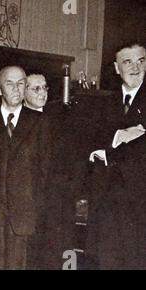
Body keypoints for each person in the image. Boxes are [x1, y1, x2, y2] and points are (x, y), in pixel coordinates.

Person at [0, 66, 50, 269]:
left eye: (21, 83)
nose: (16, 89)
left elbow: (46, 173)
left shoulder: (42, 123)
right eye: (9, 83)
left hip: (23, 219)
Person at [87, 42, 146, 269]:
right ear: (116, 68)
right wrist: (123, 135)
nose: (135, 67)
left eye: (141, 61)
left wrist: (109, 152)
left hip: (140, 204)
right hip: (106, 204)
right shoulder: (102, 104)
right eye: (127, 62)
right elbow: (89, 142)